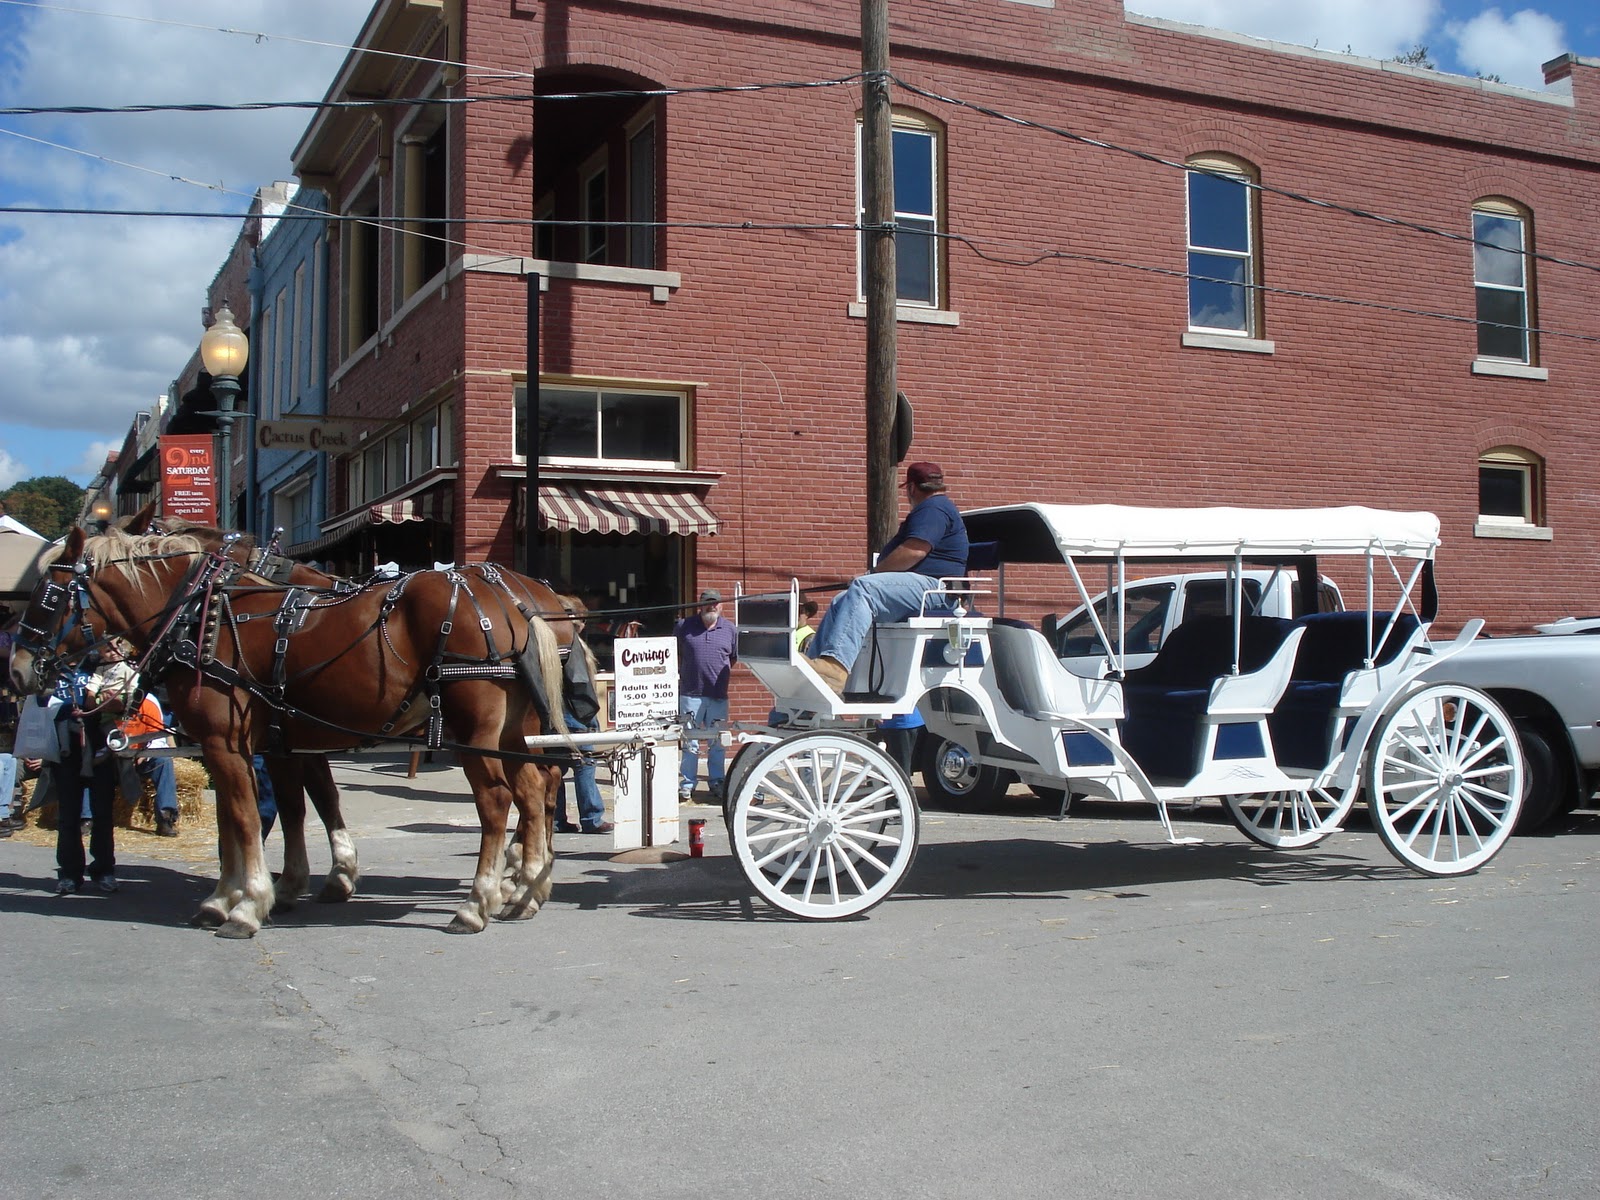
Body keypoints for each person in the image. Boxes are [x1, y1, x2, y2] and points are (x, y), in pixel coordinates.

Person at [807, 461, 969, 693]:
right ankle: (816, 668)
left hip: (936, 590)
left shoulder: (933, 508)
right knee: (842, 599)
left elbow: (914, 551)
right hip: (926, 589)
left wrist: (872, 574)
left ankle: (835, 668)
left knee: (864, 588)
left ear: (911, 488)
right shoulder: (938, 507)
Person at [48, 654, 122, 895]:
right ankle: (69, 873)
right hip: (65, 746)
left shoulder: (98, 667)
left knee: (102, 812)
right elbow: (38, 705)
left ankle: (103, 870)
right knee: (68, 814)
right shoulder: (51, 670)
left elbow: (120, 698)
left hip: (98, 743)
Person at [676, 588, 738, 803]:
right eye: (707, 603)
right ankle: (687, 784)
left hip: (718, 695)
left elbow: (733, 658)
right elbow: (675, 653)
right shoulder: (684, 626)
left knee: (717, 742)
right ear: (700, 606)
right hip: (690, 694)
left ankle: (717, 781)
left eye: (715, 603)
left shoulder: (730, 629)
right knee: (689, 742)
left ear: (721, 606)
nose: (711, 607)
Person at [120, 690, 179, 836]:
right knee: (89, 766)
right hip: (114, 757)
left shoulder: (148, 700)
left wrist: (144, 753)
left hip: (141, 755)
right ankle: (87, 817)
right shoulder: (105, 699)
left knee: (164, 761)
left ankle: (165, 818)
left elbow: (157, 734)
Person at [555, 705, 614, 834]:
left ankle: (557, 820)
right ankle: (591, 819)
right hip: (577, 726)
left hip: (553, 727)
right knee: (584, 767)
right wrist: (593, 728)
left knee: (555, 772)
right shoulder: (576, 684)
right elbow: (585, 699)